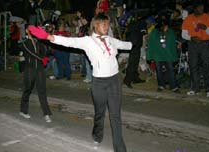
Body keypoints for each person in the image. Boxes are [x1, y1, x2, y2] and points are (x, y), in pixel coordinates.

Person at [29, 13, 132, 152]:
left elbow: (125, 44)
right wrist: (48, 37)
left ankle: (120, 149)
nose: (107, 27)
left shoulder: (110, 39)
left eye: (108, 24)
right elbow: (69, 41)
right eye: (104, 24)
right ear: (96, 25)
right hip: (99, 83)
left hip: (114, 80)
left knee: (115, 115)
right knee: (100, 113)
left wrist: (136, 41)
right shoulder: (87, 41)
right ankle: (97, 135)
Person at [182, 2, 209, 98]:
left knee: (207, 65)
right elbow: (184, 34)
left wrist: (205, 28)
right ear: (195, 9)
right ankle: (194, 88)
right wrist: (191, 38)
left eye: (202, 7)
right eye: (200, 7)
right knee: (193, 66)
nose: (202, 9)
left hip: (205, 44)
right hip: (192, 45)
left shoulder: (208, 17)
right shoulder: (188, 19)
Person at [19, 25, 52, 123]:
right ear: (26, 31)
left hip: (40, 69)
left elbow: (45, 52)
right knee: (27, 90)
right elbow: (31, 53)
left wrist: (44, 39)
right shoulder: (24, 43)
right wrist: (42, 58)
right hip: (30, 69)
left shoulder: (38, 42)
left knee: (42, 91)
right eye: (30, 30)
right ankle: (23, 110)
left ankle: (46, 113)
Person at [147, 19, 179, 92]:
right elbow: (150, 45)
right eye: (165, 26)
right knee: (159, 71)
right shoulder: (154, 33)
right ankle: (161, 85)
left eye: (167, 26)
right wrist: (149, 56)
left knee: (171, 70)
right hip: (158, 56)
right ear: (161, 26)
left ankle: (174, 86)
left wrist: (174, 56)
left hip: (168, 56)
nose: (167, 27)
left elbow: (173, 46)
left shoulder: (170, 32)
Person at [123, 16, 147, 88]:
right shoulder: (142, 23)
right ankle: (127, 80)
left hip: (131, 44)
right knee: (133, 63)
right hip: (136, 44)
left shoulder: (132, 23)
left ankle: (135, 78)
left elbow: (126, 34)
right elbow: (144, 34)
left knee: (134, 62)